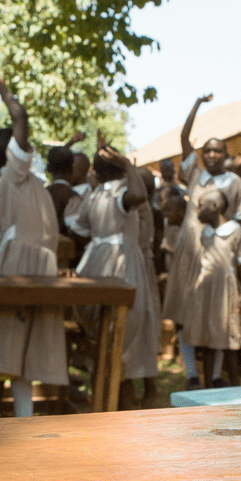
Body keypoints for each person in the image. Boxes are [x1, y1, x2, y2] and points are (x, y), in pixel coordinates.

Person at [0, 65, 67, 418]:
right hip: (20, 263)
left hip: (33, 262)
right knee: (3, 346)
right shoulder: (15, 171)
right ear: (12, 151)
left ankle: (23, 421)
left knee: (23, 348)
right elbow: (20, 115)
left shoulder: (18, 178)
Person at [160, 94, 241, 388]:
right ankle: (191, 374)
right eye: (207, 150)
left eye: (217, 151)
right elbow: (184, 137)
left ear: (225, 154)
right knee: (185, 313)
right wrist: (197, 104)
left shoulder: (235, 183)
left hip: (220, 253)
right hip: (190, 251)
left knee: (218, 314)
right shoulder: (194, 173)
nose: (211, 155)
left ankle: (214, 375)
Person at [68, 140, 160, 408]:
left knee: (105, 335)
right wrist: (129, 165)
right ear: (120, 170)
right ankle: (120, 402)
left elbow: (80, 227)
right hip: (122, 265)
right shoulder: (121, 191)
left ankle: (106, 398)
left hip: (94, 264)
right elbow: (139, 196)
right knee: (125, 333)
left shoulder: (93, 195)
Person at [180, 191, 241, 388]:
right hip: (205, 289)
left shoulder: (235, 231)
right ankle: (208, 386)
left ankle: (236, 388)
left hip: (226, 290)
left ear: (215, 207)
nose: (198, 211)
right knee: (206, 339)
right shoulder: (205, 233)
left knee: (229, 340)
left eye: (201, 206)